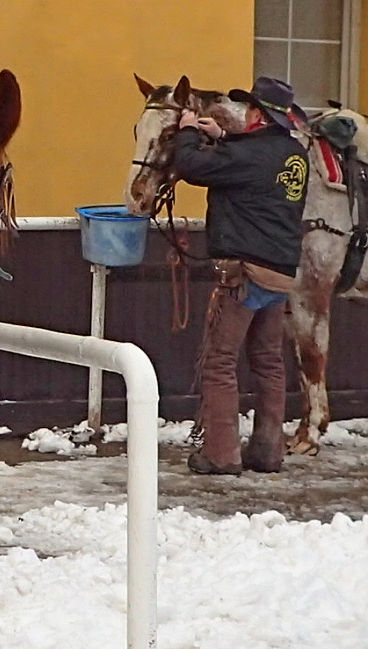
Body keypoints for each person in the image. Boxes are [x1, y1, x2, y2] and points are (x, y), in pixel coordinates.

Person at [173, 76, 309, 475]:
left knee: (220, 362)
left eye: (249, 110)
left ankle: (220, 454)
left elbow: (192, 166)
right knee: (268, 363)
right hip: (280, 274)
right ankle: (268, 451)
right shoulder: (292, 154)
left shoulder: (249, 155)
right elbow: (252, 164)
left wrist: (186, 133)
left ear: (257, 115)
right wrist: (222, 136)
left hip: (244, 274)